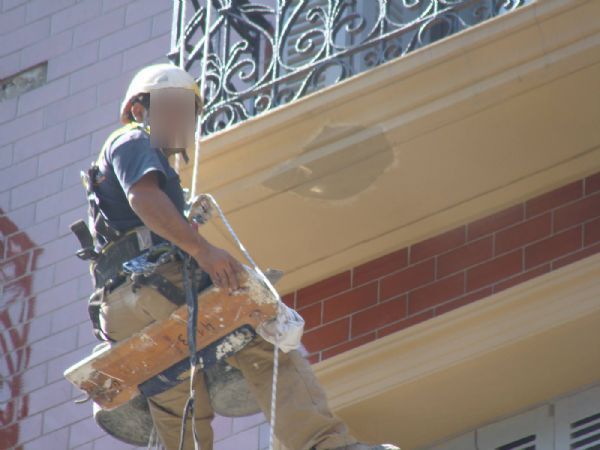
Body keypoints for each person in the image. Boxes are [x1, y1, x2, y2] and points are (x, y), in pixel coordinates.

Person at [89, 63, 400, 450]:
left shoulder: (134, 160)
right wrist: (202, 251)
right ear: (139, 109)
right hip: (159, 281)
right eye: (175, 108)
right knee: (262, 338)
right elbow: (143, 198)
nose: (183, 121)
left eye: (188, 114)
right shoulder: (132, 139)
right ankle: (323, 445)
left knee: (175, 391)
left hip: (120, 306)